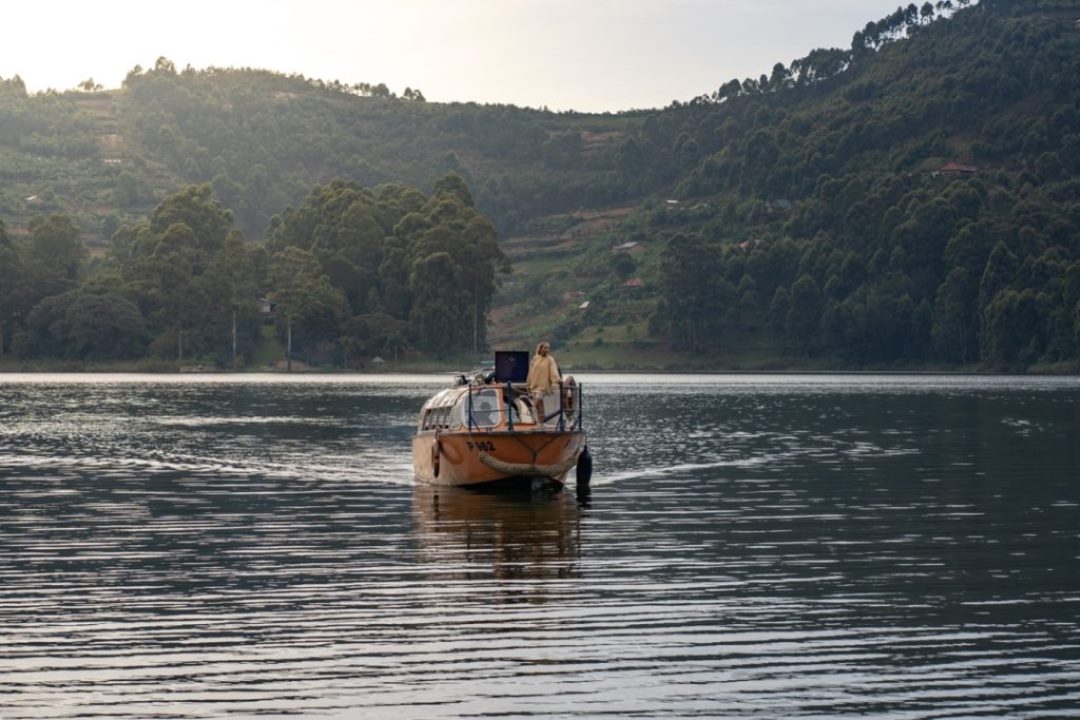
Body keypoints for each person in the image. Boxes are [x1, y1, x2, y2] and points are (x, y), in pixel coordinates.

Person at [526, 341, 560, 426]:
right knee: (539, 405)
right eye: (545, 348)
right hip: (534, 384)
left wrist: (557, 380)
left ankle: (538, 420)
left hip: (543, 385)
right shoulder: (535, 358)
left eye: (548, 348)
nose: (547, 350)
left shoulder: (550, 359)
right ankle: (540, 422)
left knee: (537, 402)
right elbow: (530, 372)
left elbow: (553, 371)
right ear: (540, 349)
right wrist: (528, 384)